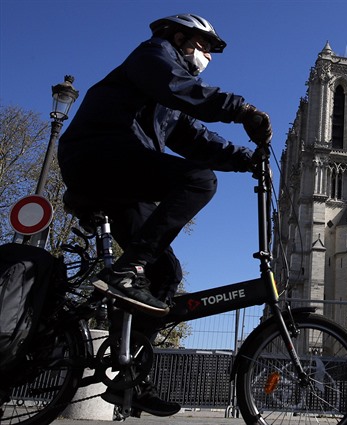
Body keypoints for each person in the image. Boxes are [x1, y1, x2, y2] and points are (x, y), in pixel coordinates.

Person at [57, 13, 272, 417]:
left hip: (122, 176)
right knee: (199, 181)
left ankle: (128, 376)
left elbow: (196, 137)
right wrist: (242, 109)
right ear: (180, 38)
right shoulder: (153, 56)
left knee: (165, 273)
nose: (207, 56)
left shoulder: (165, 105)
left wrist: (248, 159)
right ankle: (125, 272)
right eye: (205, 46)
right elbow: (181, 89)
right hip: (97, 156)